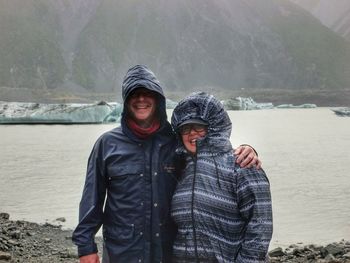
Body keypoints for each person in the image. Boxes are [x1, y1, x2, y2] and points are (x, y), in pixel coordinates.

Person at [72, 65, 261, 263]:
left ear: (158, 99)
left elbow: (209, 152)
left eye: (148, 93)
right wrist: (86, 246)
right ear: (126, 100)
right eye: (134, 94)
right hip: (123, 251)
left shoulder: (174, 140)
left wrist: (245, 149)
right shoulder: (107, 144)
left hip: (168, 251)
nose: (141, 99)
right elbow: (91, 198)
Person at [171, 92, 273, 262]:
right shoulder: (179, 169)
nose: (192, 133)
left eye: (199, 127)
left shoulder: (243, 166)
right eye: (185, 128)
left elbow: (260, 229)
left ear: (214, 126)